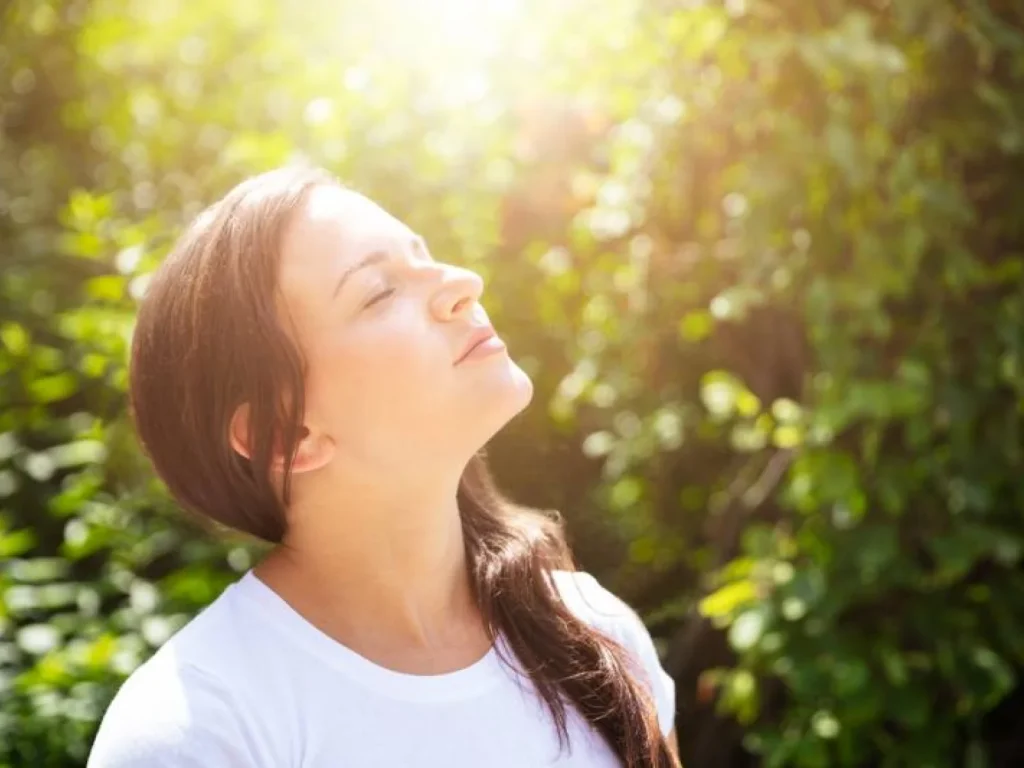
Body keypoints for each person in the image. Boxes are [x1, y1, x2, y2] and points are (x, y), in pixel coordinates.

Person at [87, 165, 680, 767]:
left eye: (425, 256)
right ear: (286, 435)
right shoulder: (198, 731)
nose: (464, 283)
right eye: (379, 290)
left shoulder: (593, 630)